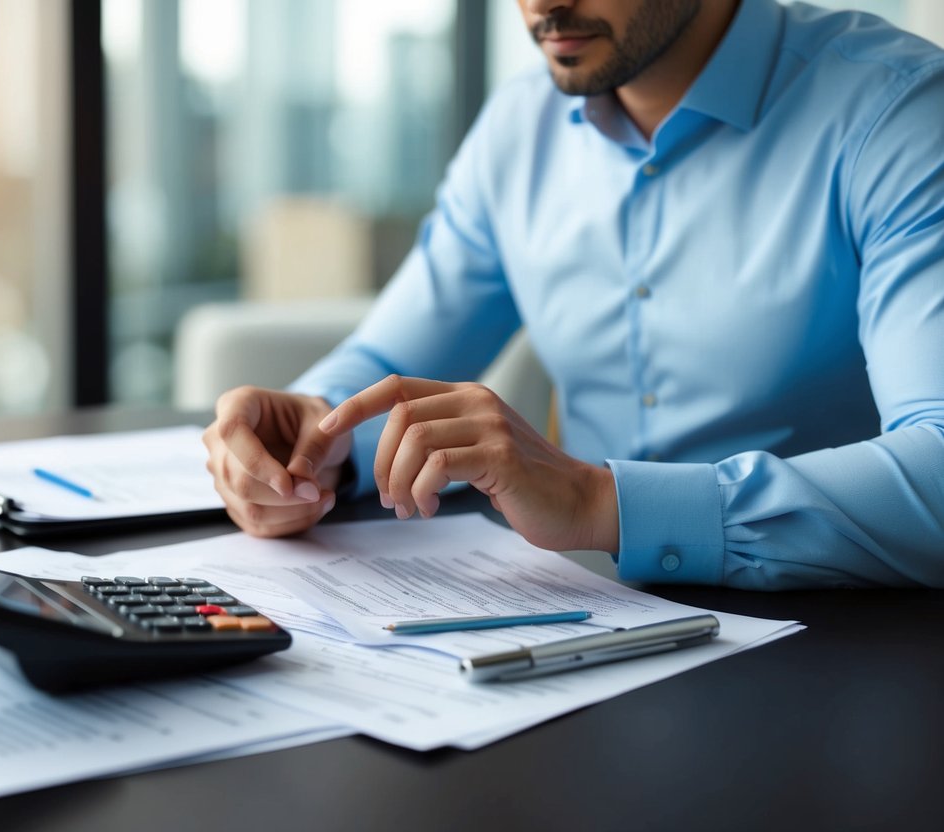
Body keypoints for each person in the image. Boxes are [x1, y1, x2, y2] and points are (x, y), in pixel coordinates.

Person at [202, 0, 944, 590]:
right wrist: (309, 441)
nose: (542, 6)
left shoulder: (899, 115)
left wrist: (599, 504)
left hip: (847, 642)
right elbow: (392, 353)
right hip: (582, 620)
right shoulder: (517, 129)